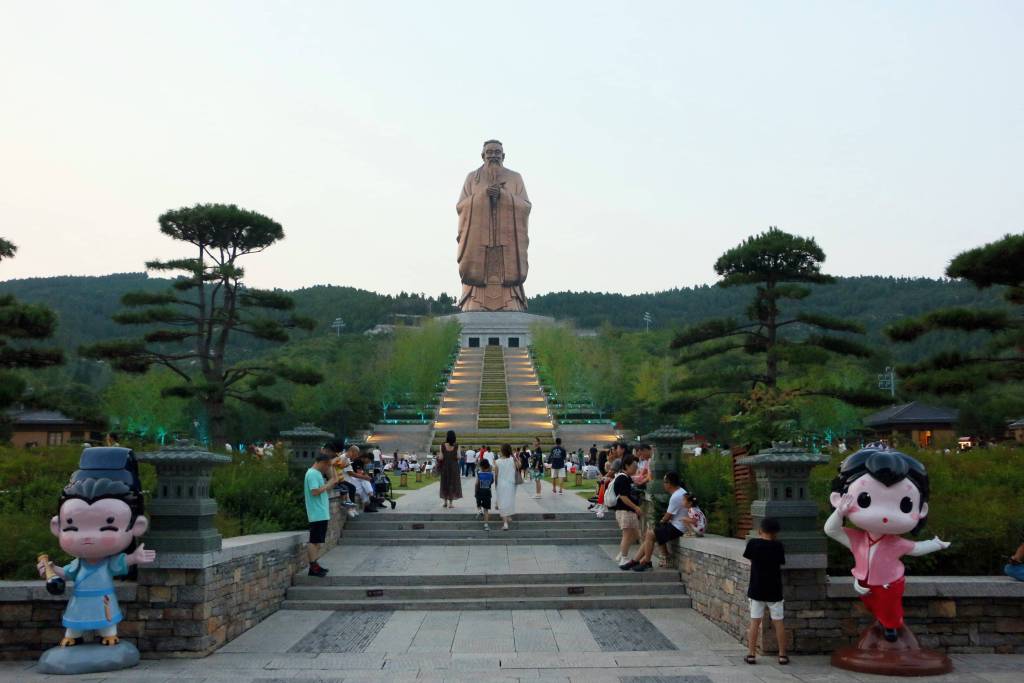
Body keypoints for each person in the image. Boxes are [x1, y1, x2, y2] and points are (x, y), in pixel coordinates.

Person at [743, 518, 788, 666]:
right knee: (779, 622)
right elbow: (780, 562)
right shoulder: (778, 546)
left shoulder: (753, 544)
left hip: (756, 588)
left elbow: (751, 560)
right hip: (774, 589)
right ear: (776, 532)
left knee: (755, 622)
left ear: (760, 530)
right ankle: (782, 655)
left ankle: (751, 654)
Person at [621, 471, 687, 571]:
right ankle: (635, 561)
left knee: (651, 534)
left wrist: (658, 524)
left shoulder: (676, 496)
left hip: (679, 527)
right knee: (650, 534)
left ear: (669, 483)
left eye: (664, 482)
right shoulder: (681, 492)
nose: (663, 484)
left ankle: (647, 561)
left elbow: (667, 517)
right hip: (678, 524)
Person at [304, 452, 337, 577]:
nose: (327, 468)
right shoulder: (312, 474)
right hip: (316, 512)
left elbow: (335, 479)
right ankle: (313, 567)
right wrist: (328, 485)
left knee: (317, 541)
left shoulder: (317, 473)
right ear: (321, 463)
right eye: (327, 465)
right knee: (314, 541)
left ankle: (315, 565)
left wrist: (333, 466)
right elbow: (315, 491)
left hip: (321, 512)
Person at [608, 455, 644, 568]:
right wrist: (636, 507)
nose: (636, 469)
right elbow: (623, 497)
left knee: (635, 535)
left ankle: (622, 553)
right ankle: (624, 557)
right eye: (634, 466)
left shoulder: (625, 477)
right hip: (625, 511)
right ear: (626, 466)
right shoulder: (623, 478)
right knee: (628, 535)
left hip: (626, 511)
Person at [495, 443, 518, 531]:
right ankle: (508, 517)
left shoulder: (497, 462)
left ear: (502, 451)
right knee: (509, 500)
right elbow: (519, 466)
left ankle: (505, 523)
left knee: (502, 503)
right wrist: (513, 455)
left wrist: (496, 486)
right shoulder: (512, 460)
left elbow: (496, 475)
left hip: (501, 484)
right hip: (511, 484)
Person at [438, 430, 462, 508]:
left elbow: (441, 457)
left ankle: (445, 502)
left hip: (445, 467)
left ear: (447, 437)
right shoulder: (457, 445)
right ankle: (451, 504)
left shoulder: (442, 445)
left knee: (445, 483)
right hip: (454, 467)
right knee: (452, 484)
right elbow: (459, 457)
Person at [476, 458, 495, 531]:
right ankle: (486, 524)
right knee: (486, 509)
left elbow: (476, 484)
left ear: (480, 467)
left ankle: (479, 510)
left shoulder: (479, 474)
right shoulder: (490, 474)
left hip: (479, 491)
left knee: (478, 503)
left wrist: (475, 491)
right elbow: (492, 482)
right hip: (487, 492)